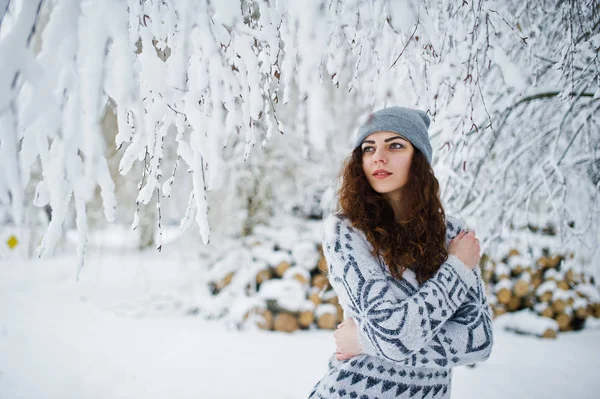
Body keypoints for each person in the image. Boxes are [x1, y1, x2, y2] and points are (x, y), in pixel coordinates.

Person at [308, 107, 493, 399]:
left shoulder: (452, 234)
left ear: (418, 158)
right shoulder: (346, 232)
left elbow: (478, 342)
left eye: (395, 145)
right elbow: (393, 337)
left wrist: (365, 341)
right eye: (369, 148)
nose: (379, 157)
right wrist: (456, 267)